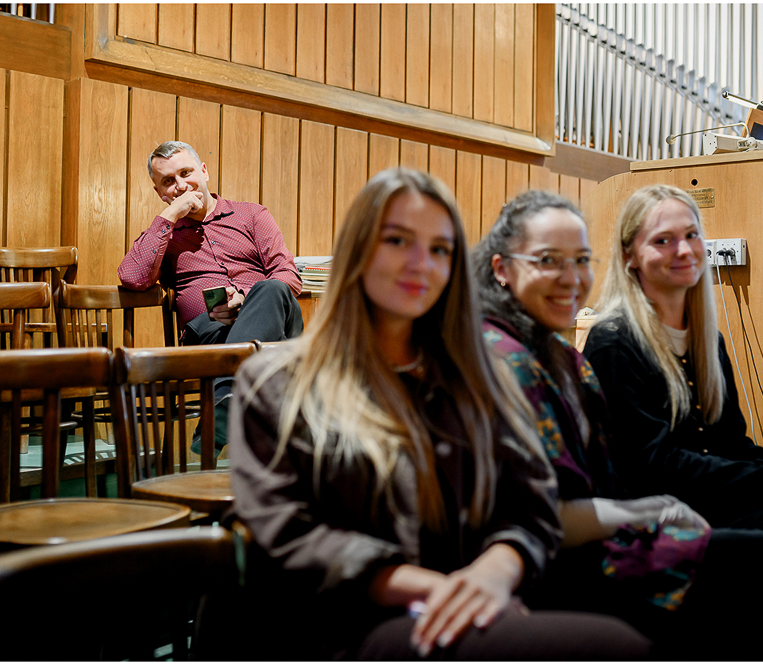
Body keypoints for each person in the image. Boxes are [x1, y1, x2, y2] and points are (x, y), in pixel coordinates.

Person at [224, 169, 650, 660]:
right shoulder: (277, 381)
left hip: (472, 597)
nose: (421, 264)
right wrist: (433, 588)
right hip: (347, 620)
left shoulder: (478, 373)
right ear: (358, 249)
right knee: (618, 649)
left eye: (441, 249)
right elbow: (286, 531)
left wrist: (496, 572)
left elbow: (529, 503)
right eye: (397, 240)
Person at [473, 190, 763, 659]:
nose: (571, 278)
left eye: (581, 260)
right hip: (593, 547)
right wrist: (653, 512)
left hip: (631, 522)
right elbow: (633, 476)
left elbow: (728, 445)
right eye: (549, 260)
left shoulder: (564, 356)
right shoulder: (580, 348)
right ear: (502, 269)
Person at [582, 185, 763, 656]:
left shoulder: (706, 339)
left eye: (691, 235)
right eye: (663, 240)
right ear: (630, 255)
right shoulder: (614, 342)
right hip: (652, 522)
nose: (683, 250)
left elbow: (732, 448)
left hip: (708, 504)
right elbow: (658, 468)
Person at [119, 141, 303, 451]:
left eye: (186, 173)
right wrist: (170, 215)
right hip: (211, 335)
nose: (181, 186)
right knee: (260, 348)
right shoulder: (166, 236)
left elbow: (288, 275)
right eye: (168, 181)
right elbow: (132, 277)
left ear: (204, 171)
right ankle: (232, 409)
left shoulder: (252, 215)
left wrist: (245, 300)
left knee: (271, 288)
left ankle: (225, 403)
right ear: (159, 192)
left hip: (273, 329)